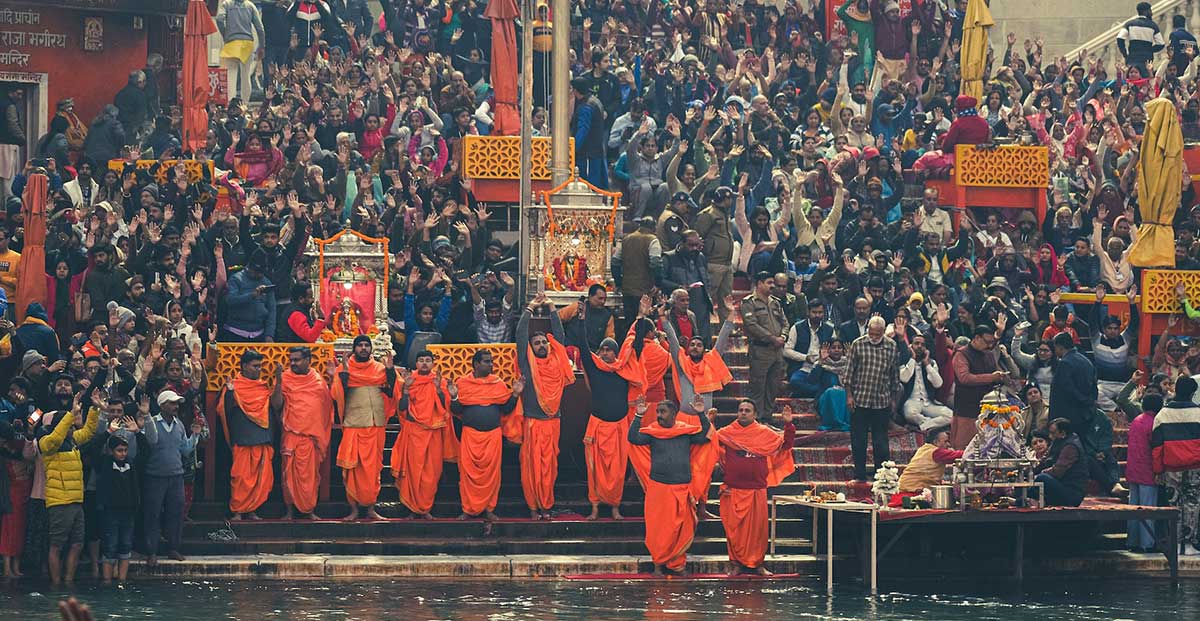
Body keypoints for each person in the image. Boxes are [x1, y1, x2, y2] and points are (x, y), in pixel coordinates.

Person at [661, 295, 735, 518]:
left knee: (705, 468)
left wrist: (730, 314)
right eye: (692, 343)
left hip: (706, 423)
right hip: (684, 422)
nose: (694, 346)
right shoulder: (682, 363)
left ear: (704, 349)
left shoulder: (711, 362)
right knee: (686, 467)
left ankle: (701, 507)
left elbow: (721, 341)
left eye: (699, 344)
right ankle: (686, 506)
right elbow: (673, 343)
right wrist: (663, 318)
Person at [628, 397, 711, 576]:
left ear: (673, 414)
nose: (659, 415)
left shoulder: (685, 431)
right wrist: (638, 415)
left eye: (662, 412)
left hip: (682, 487)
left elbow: (705, 437)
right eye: (657, 412)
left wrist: (701, 414)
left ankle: (677, 565)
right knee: (658, 529)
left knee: (682, 528)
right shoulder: (653, 432)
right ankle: (658, 564)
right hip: (659, 488)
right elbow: (633, 438)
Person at [571, 319, 644, 521]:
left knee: (618, 471)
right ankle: (594, 507)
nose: (604, 353)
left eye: (608, 350)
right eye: (602, 350)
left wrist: (640, 317)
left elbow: (636, 346)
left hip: (619, 427)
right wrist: (583, 319)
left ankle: (614, 508)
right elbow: (583, 346)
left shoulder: (623, 371)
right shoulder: (594, 370)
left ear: (616, 353)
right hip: (597, 428)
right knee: (594, 470)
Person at [715, 399, 796, 576]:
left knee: (759, 532)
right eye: (741, 410)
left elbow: (786, 445)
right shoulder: (727, 433)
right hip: (733, 490)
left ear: (755, 415)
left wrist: (788, 424)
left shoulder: (764, 433)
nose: (743, 413)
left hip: (756, 490)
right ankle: (735, 564)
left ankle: (757, 564)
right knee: (734, 532)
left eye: (747, 410)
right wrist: (706, 421)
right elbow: (708, 445)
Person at [515, 293, 574, 520]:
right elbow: (521, 335)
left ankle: (546, 506)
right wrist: (529, 308)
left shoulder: (557, 361)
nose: (541, 345)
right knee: (531, 469)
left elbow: (559, 336)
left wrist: (551, 307)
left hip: (553, 424)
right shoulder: (527, 364)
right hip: (532, 423)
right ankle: (532, 508)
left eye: (543, 342)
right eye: (536, 343)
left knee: (549, 469)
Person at [332, 336, 399, 521]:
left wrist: (391, 370)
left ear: (371, 349)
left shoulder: (379, 369)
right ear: (354, 349)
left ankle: (370, 508)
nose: (363, 348)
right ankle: (353, 509)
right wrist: (343, 375)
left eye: (366, 345)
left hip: (376, 424)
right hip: (354, 424)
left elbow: (394, 390)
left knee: (373, 469)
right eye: (359, 345)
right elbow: (337, 393)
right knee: (352, 469)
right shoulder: (345, 368)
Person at [450, 350, 522, 522]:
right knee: (467, 474)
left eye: (492, 361)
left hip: (492, 437)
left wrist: (515, 394)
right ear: (476, 364)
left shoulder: (498, 384)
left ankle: (489, 508)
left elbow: (505, 409)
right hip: (470, 437)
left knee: (492, 475)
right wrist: (454, 398)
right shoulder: (463, 383)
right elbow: (457, 411)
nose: (491, 365)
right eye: (487, 362)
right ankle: (468, 510)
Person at [38, 397, 99, 585]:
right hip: (59, 502)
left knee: (77, 544)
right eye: (69, 424)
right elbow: (56, 437)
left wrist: (95, 408)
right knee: (57, 545)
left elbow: (89, 431)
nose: (72, 427)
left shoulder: (71, 441)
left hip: (76, 501)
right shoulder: (46, 443)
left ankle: (68, 581)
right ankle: (56, 584)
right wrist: (70, 415)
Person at [391, 350, 456, 520]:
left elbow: (446, 408)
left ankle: (425, 509)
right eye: (421, 360)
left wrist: (439, 391)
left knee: (431, 472)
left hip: (433, 433)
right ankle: (413, 509)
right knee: (414, 471)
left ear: (433, 363)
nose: (425, 363)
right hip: (414, 432)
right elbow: (402, 408)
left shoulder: (439, 382)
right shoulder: (409, 381)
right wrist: (405, 389)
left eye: (428, 360)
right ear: (416, 363)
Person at [141, 389, 201, 565]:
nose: (175, 406)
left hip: (176, 476)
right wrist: (145, 418)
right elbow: (150, 442)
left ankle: (173, 548)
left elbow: (186, 449)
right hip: (155, 475)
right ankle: (151, 551)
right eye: (172, 403)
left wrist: (195, 435)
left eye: (176, 403)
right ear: (162, 405)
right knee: (152, 514)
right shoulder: (151, 422)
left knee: (176, 513)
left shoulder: (179, 425)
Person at [273, 346, 333, 521]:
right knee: (288, 475)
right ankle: (290, 511)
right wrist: (277, 380)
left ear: (308, 360)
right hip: (291, 435)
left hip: (311, 438)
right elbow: (276, 405)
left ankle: (308, 510)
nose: (293, 363)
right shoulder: (285, 378)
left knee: (310, 477)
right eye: (291, 360)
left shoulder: (318, 382)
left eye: (297, 360)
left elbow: (326, 409)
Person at [218, 350, 274, 521]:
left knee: (260, 479)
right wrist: (229, 394)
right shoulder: (234, 385)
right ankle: (238, 511)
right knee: (241, 477)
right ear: (243, 366)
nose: (259, 370)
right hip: (242, 439)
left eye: (260, 366)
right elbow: (224, 412)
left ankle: (252, 510)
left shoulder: (263, 386)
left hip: (261, 438)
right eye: (255, 366)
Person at [844, 316, 900, 481]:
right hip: (860, 398)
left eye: (877, 334)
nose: (873, 337)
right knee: (858, 439)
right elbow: (848, 372)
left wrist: (893, 398)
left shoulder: (891, 346)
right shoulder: (858, 344)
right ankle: (860, 474)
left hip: (881, 400)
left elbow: (894, 375)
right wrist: (849, 395)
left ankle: (881, 475)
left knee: (881, 441)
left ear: (883, 332)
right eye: (871, 333)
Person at [1152, 376, 1200, 556]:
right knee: (1192, 503)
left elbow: (1156, 448)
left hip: (1171, 467)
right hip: (1195, 466)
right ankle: (1189, 543)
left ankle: (1176, 543)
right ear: (1192, 393)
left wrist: (1157, 470)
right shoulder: (1199, 413)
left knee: (1173, 505)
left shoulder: (1162, 415)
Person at [741, 271, 788, 420]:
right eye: (769, 283)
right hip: (760, 350)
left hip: (777, 351)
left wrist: (783, 336)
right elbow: (751, 325)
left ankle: (767, 418)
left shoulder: (775, 302)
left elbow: (785, 323)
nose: (772, 286)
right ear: (759, 284)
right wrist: (772, 338)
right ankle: (756, 420)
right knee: (758, 387)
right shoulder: (749, 302)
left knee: (773, 387)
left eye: (773, 283)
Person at [951, 325, 1005, 449]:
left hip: (988, 407)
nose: (990, 346)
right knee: (964, 447)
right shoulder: (961, 354)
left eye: (992, 342)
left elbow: (994, 372)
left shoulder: (989, 354)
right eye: (987, 342)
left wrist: (1001, 377)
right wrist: (991, 377)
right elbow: (964, 378)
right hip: (967, 407)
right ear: (976, 338)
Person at [1127, 393, 1162, 552]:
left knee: (1133, 508)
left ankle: (1132, 542)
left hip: (1133, 469)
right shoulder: (1155, 423)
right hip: (1148, 470)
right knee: (1148, 509)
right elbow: (1155, 449)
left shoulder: (1136, 421)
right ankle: (1147, 544)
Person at [898, 333, 951, 432]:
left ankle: (922, 427)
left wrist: (927, 364)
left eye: (922, 345)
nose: (919, 347)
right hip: (912, 402)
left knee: (950, 415)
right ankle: (930, 424)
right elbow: (904, 378)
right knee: (910, 414)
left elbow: (938, 384)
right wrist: (912, 359)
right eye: (916, 343)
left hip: (928, 403)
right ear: (911, 346)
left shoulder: (931, 362)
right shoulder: (904, 360)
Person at [216, 0, 267, 102]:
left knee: (231, 75)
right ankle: (244, 105)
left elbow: (219, 19)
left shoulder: (226, 4)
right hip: (247, 44)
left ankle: (231, 104)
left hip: (231, 43)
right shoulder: (250, 6)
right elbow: (260, 28)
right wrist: (262, 46)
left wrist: (226, 35)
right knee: (246, 75)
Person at [1049, 331, 1097, 434]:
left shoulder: (1065, 363)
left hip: (1070, 413)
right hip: (1086, 412)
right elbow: (1094, 386)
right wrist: (1089, 401)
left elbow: (1066, 389)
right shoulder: (1087, 361)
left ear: (1059, 347)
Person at [1033, 418, 1088, 508]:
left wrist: (1039, 474)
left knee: (1042, 478)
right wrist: (1029, 471)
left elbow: (1057, 471)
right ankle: (1019, 499)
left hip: (1071, 492)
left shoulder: (1071, 446)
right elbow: (1045, 461)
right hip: (1060, 484)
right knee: (1028, 481)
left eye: (1053, 433)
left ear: (1062, 433)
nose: (1050, 436)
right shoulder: (1057, 441)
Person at [895, 428, 962, 496]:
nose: (948, 444)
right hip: (912, 492)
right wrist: (971, 450)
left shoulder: (923, 449)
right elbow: (960, 455)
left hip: (905, 488)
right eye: (945, 441)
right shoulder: (936, 452)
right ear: (936, 442)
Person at [1117, 2, 1166, 75]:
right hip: (1146, 60)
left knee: (1132, 80)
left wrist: (1125, 54)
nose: (1151, 13)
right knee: (1145, 81)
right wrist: (1150, 49)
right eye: (1150, 11)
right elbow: (1161, 44)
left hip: (1132, 58)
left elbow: (1120, 38)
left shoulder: (1129, 24)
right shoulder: (1152, 25)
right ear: (1145, 11)